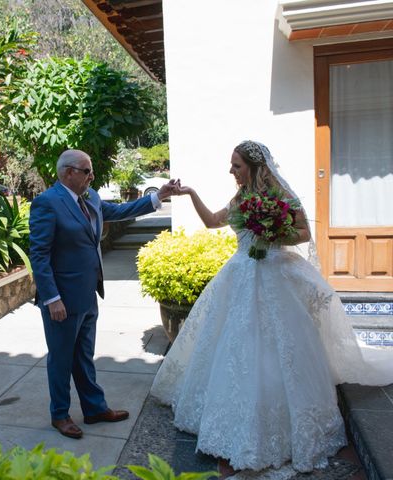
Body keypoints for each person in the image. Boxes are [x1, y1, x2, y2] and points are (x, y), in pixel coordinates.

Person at [150, 140, 393, 473]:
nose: (231, 170)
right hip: (240, 275)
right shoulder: (239, 199)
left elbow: (304, 232)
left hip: (275, 276)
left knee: (281, 350)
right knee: (235, 349)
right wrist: (190, 193)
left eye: (236, 165)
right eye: (231, 165)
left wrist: (272, 231)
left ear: (254, 166)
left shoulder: (280, 197)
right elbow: (211, 222)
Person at [29, 149, 181, 439]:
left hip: (88, 294)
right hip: (61, 300)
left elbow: (121, 212)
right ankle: (59, 414)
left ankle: (94, 408)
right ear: (68, 172)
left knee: (84, 356)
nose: (92, 176)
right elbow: (39, 255)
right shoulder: (47, 203)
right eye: (87, 171)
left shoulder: (92, 198)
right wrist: (52, 299)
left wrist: (158, 196)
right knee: (61, 359)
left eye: (91, 171)